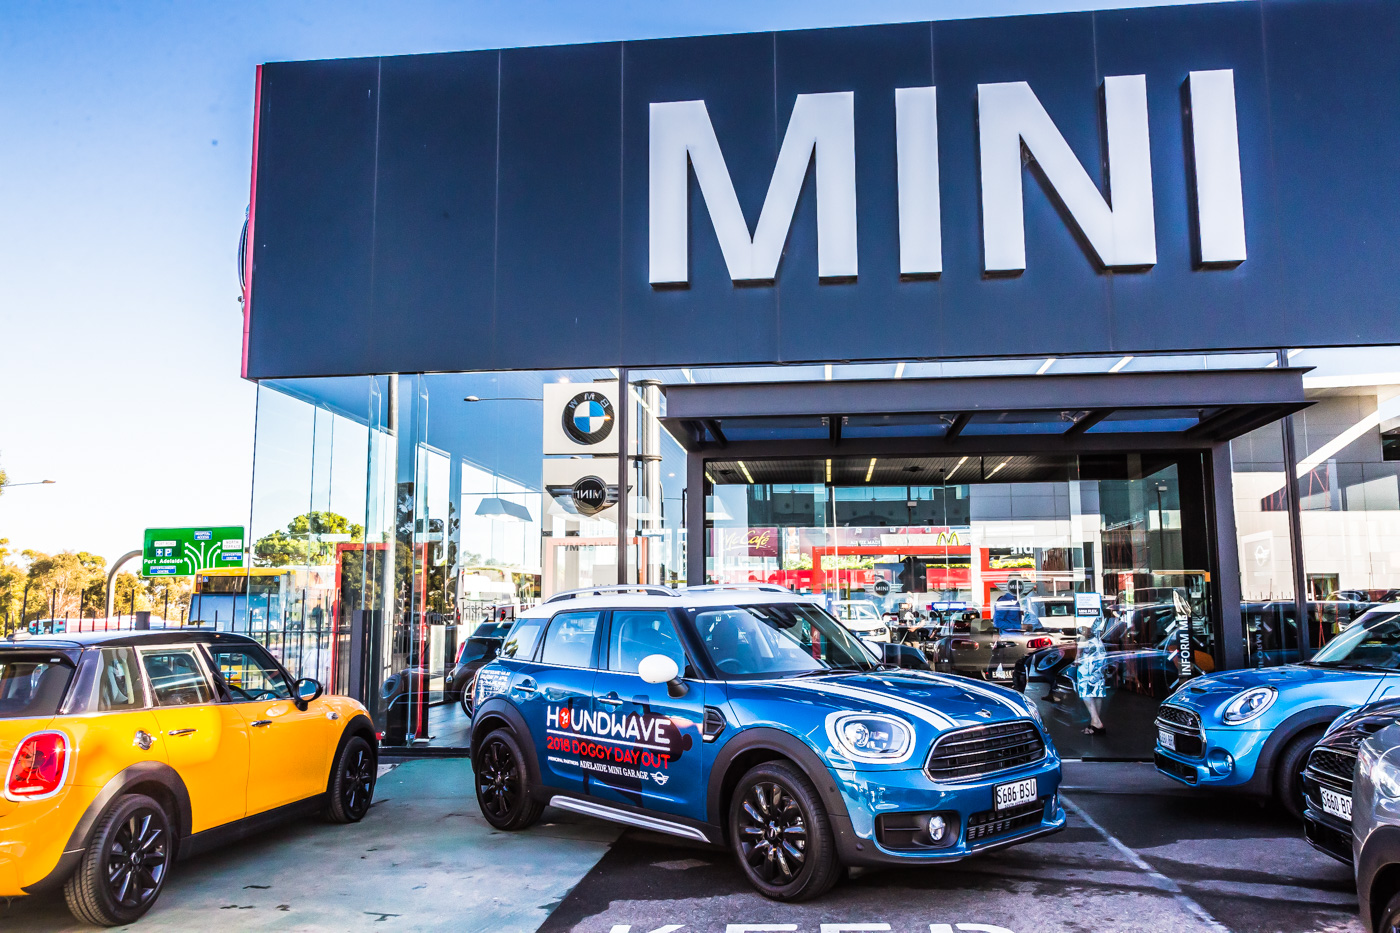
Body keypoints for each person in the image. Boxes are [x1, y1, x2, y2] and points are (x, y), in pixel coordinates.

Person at [1076, 616, 1108, 734]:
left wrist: (1078, 654)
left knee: (1085, 688)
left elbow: (1085, 631)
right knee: (1097, 689)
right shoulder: (1097, 609)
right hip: (1098, 648)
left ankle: (1096, 723)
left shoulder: (1084, 608)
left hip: (1089, 652)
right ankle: (1094, 723)